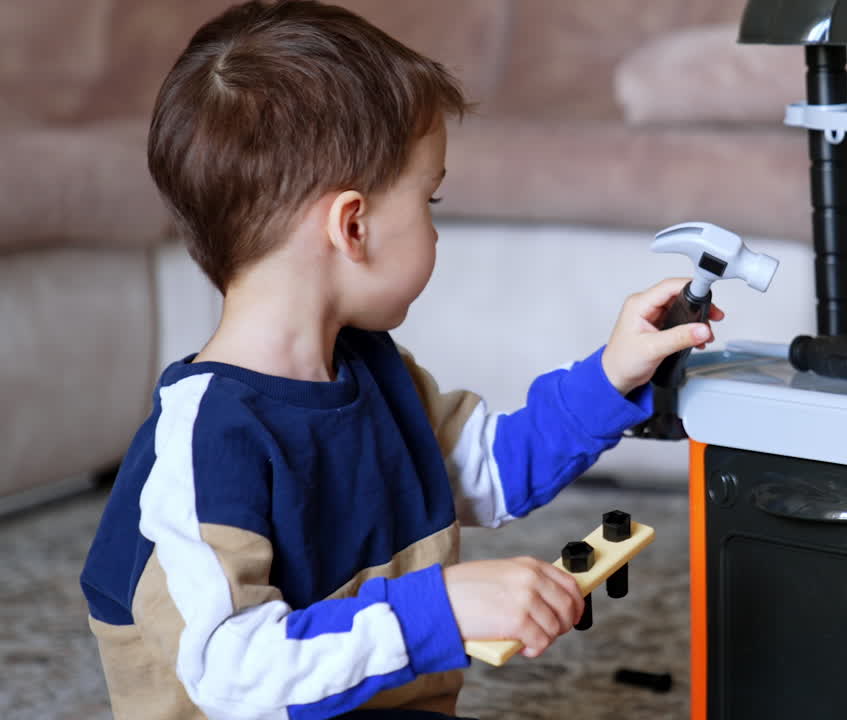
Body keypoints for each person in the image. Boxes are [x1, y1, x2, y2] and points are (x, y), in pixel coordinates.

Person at [78, 2, 720, 718]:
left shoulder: (373, 370)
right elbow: (233, 671)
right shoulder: (208, 443)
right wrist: (436, 608)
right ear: (352, 227)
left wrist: (612, 374)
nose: (436, 227)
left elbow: (484, 471)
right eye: (430, 197)